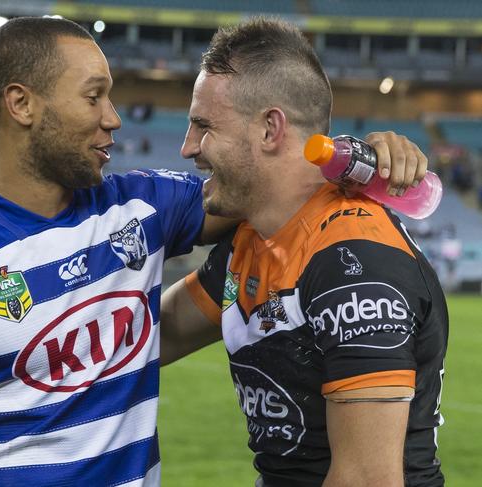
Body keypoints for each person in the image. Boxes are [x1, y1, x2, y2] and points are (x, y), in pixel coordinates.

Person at [0, 16, 428, 487]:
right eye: (94, 97)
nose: (113, 116)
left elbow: (273, 180)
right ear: (21, 104)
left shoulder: (143, 206)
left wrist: (359, 157)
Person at [160, 18, 447, 487]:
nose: (189, 147)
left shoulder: (354, 264)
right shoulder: (253, 238)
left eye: (203, 125)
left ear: (271, 128)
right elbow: (152, 334)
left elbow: (366, 481)